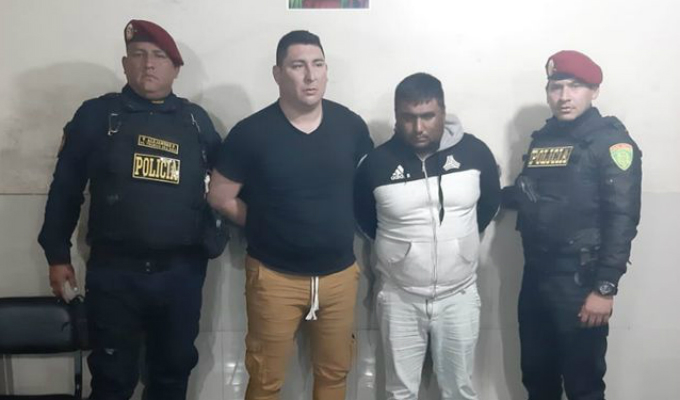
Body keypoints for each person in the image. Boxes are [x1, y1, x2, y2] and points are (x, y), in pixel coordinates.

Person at [38, 19, 222, 400]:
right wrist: (57, 254)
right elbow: (66, 189)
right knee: (112, 380)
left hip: (180, 274)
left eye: (159, 56)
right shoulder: (96, 116)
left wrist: (212, 239)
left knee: (172, 376)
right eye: (138, 55)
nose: (148, 64)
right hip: (115, 274)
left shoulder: (197, 122)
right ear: (125, 64)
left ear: (176, 68)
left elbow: (225, 185)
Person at [207, 30, 373, 400]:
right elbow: (219, 196)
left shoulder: (351, 126)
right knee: (265, 380)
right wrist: (267, 223)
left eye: (318, 64)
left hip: (339, 276)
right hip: (274, 277)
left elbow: (367, 189)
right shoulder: (251, 133)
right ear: (278, 74)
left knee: (335, 375)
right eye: (298, 66)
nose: (310, 76)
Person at [502, 50, 642, 400]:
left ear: (594, 90)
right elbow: (536, 196)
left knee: (583, 386)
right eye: (556, 87)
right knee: (537, 379)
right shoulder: (543, 139)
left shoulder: (611, 143)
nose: (564, 96)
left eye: (575, 86)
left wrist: (605, 288)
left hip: (581, 283)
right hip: (536, 278)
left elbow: (622, 219)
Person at [354, 72, 501, 400]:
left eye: (428, 116)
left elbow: (488, 205)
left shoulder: (475, 153)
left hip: (459, 294)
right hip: (399, 296)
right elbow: (365, 220)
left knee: (459, 391)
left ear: (443, 112)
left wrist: (457, 245)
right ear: (397, 116)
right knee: (399, 393)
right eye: (408, 117)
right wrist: (404, 254)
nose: (418, 127)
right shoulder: (375, 164)